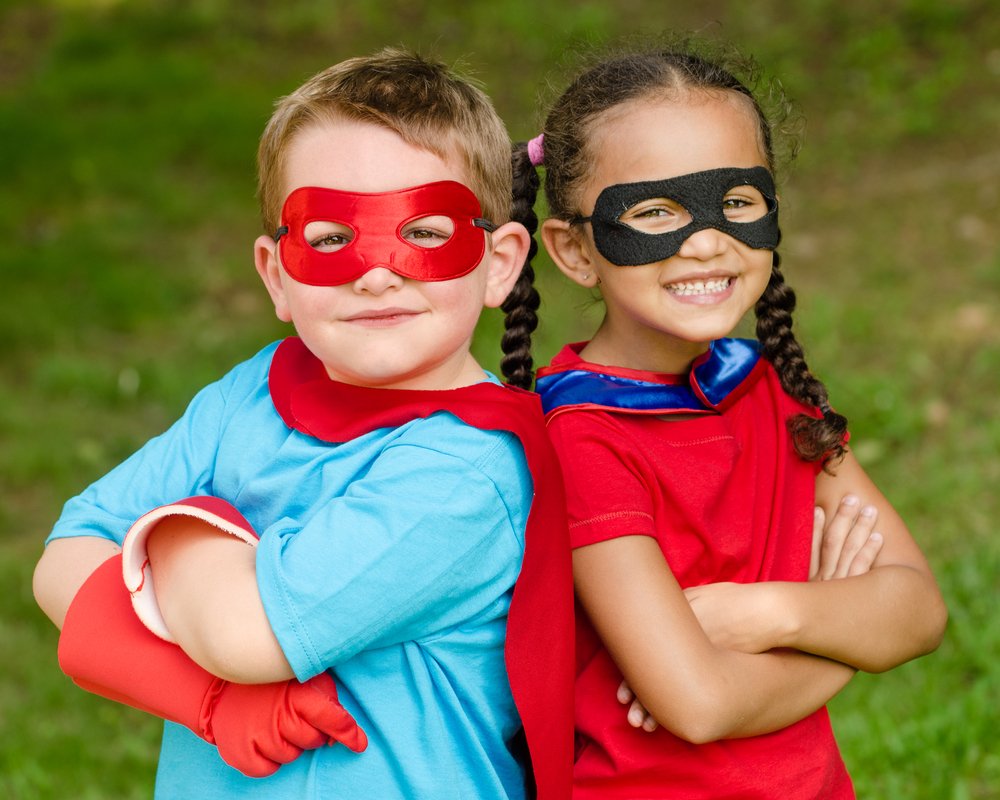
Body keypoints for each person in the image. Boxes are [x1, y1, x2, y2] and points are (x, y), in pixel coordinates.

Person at [33, 48, 574, 800]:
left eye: (424, 233)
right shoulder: (253, 391)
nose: (376, 271)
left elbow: (244, 635)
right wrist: (210, 702)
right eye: (329, 238)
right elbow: (62, 562)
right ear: (276, 275)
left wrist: (176, 530)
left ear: (498, 263)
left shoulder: (471, 470)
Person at [511, 41, 948, 798]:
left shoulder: (769, 387)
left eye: (737, 201)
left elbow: (917, 610)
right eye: (653, 212)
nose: (708, 240)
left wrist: (759, 613)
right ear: (575, 251)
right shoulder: (579, 436)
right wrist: (843, 636)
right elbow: (701, 703)